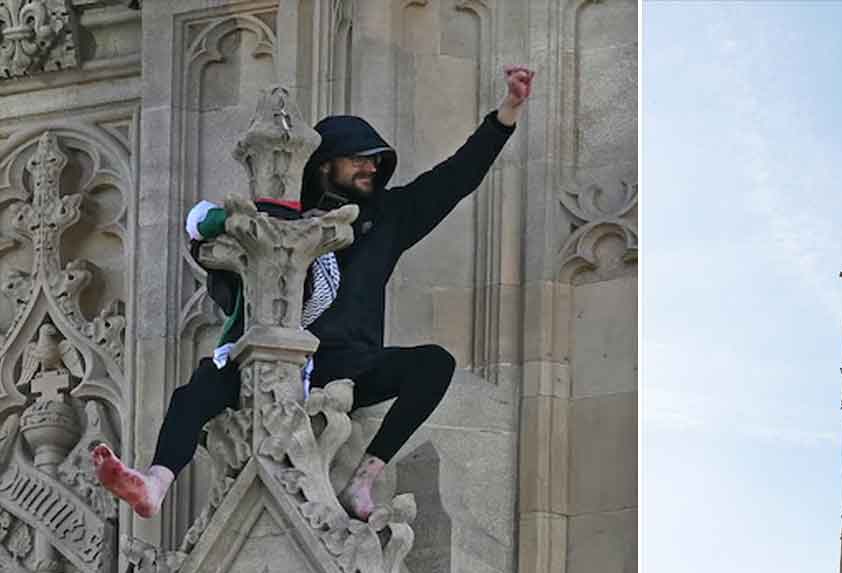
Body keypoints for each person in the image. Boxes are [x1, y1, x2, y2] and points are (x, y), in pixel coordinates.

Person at [92, 64, 535, 521]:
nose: (371, 168)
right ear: (326, 164)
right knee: (199, 390)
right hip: (273, 356)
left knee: (433, 364)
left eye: (375, 161)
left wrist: (507, 112)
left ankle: (363, 481)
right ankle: (155, 483)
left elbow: (456, 177)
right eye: (359, 159)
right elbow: (214, 249)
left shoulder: (387, 217)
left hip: (348, 364)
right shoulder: (278, 218)